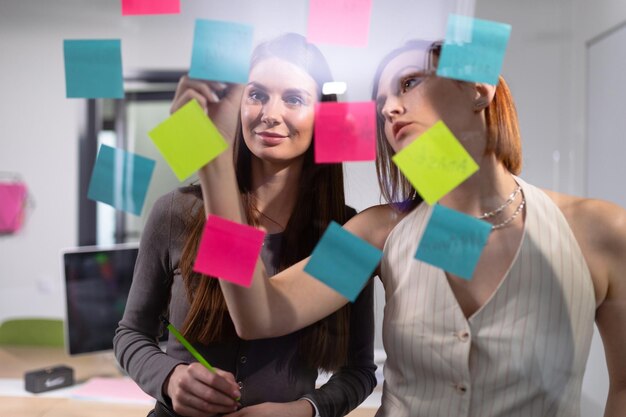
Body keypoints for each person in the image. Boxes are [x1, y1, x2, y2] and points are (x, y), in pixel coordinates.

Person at [196, 39, 626, 417]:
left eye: (408, 83)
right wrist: (211, 161)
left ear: (478, 88)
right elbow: (258, 313)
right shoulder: (379, 232)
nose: (389, 107)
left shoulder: (600, 231)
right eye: (381, 99)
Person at [113, 33, 377, 417]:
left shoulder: (346, 232)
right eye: (256, 95)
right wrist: (170, 379)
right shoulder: (177, 212)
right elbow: (130, 333)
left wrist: (304, 410)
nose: (270, 113)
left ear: (323, 115)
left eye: (294, 99)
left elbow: (359, 370)